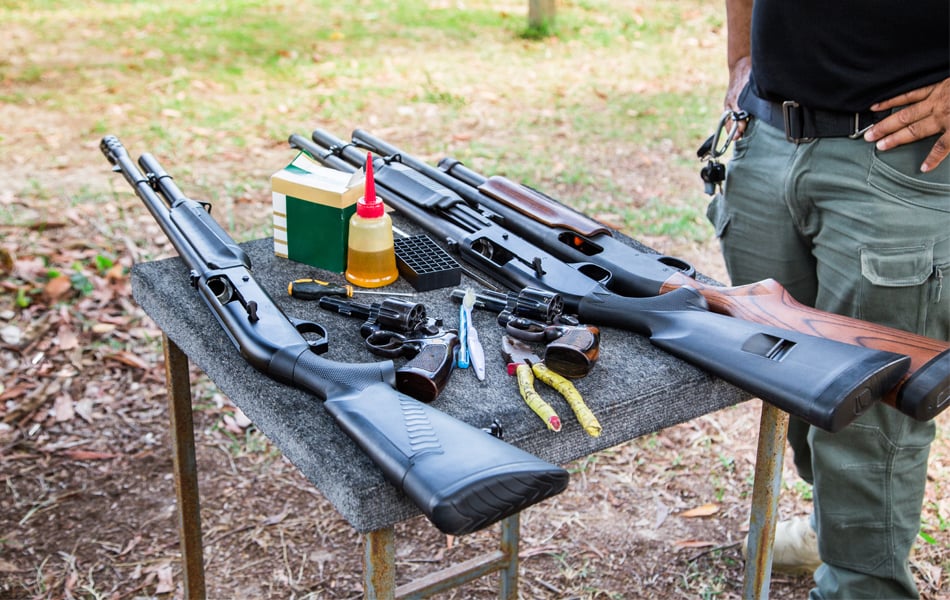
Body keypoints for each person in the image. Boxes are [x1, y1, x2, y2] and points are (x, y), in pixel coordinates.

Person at [709, 0, 950, 597]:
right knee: (789, 375)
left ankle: (862, 583)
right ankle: (835, 527)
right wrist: (740, 58)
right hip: (767, 134)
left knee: (869, 417)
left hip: (901, 156)